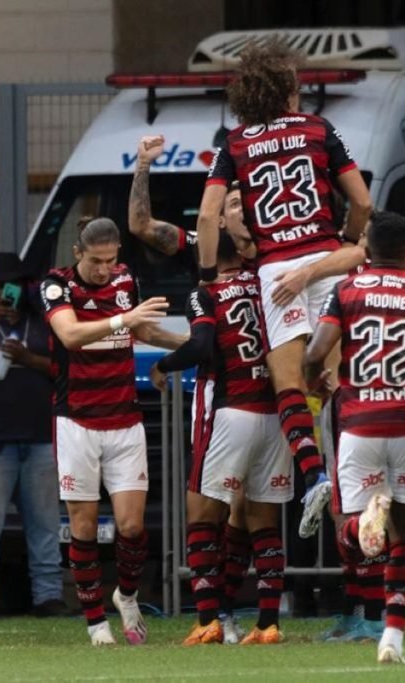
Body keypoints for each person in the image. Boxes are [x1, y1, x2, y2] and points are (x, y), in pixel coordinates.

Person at [196, 40, 373, 540]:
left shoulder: (234, 144)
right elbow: (362, 201)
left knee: (289, 385)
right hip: (324, 258)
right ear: (290, 92)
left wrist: (209, 277)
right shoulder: (320, 129)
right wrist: (342, 240)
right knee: (335, 384)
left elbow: (209, 215)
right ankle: (349, 484)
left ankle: (313, 475)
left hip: (277, 271)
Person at [303, 211, 405, 664]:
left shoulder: (346, 290)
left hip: (360, 423)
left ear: (368, 250)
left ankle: (364, 521)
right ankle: (392, 639)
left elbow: (315, 352)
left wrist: (315, 382)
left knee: (354, 532)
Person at [39, 217, 184, 645]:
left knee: (132, 527)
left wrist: (193, 344)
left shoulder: (125, 280)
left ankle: (127, 595)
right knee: (83, 528)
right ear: (78, 254)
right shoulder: (56, 285)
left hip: (124, 420)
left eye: (111, 259)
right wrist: (124, 319)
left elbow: (142, 328)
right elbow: (69, 334)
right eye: (96, 261)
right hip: (77, 421)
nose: (104, 269)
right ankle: (95, 623)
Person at [150, 231, 291, 645]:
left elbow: (200, 345)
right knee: (264, 523)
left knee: (201, 516)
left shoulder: (206, 292)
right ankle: (267, 624)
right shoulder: (265, 282)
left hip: (231, 411)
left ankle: (209, 619)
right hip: (276, 411)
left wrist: (163, 364)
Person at [0, 253, 65, 618]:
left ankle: (48, 595)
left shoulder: (43, 323)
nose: (5, 292)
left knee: (45, 521)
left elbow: (64, 367)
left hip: (40, 435)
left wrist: (29, 360)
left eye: (12, 285)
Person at [129, 135, 256, 260]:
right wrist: (143, 163)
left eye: (246, 203)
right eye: (235, 204)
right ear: (220, 220)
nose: (243, 209)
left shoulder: (273, 244)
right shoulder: (202, 244)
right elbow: (141, 226)